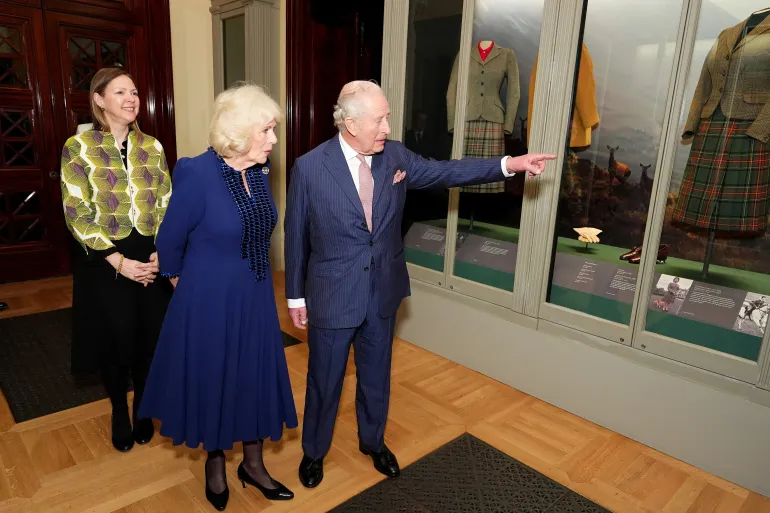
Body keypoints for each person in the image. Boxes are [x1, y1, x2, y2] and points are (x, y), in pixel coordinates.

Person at [284, 80, 555, 488]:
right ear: (351, 123)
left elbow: (447, 171)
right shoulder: (309, 168)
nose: (387, 128)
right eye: (380, 119)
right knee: (325, 380)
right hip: (333, 294)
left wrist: (509, 164)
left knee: (376, 375)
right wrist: (295, 296)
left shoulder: (394, 156)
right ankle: (314, 452)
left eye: (387, 118)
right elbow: (295, 236)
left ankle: (373, 442)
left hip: (382, 291)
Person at [139, 84, 297, 511]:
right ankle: (215, 464)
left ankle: (253, 464)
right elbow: (169, 239)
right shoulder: (196, 172)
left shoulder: (259, 171)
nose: (274, 139)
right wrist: (183, 284)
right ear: (240, 131)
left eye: (273, 130)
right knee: (216, 376)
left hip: (255, 293)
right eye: (266, 130)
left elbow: (259, 230)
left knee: (253, 375)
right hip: (209, 298)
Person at [60, 67, 173, 453]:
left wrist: (163, 248)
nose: (131, 99)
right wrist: (117, 260)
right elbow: (76, 211)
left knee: (148, 338)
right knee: (114, 340)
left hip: (150, 256)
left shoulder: (153, 147)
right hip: (103, 258)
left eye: (134, 92)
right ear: (99, 99)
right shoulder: (78, 147)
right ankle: (119, 411)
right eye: (121, 92)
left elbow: (166, 201)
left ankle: (142, 407)